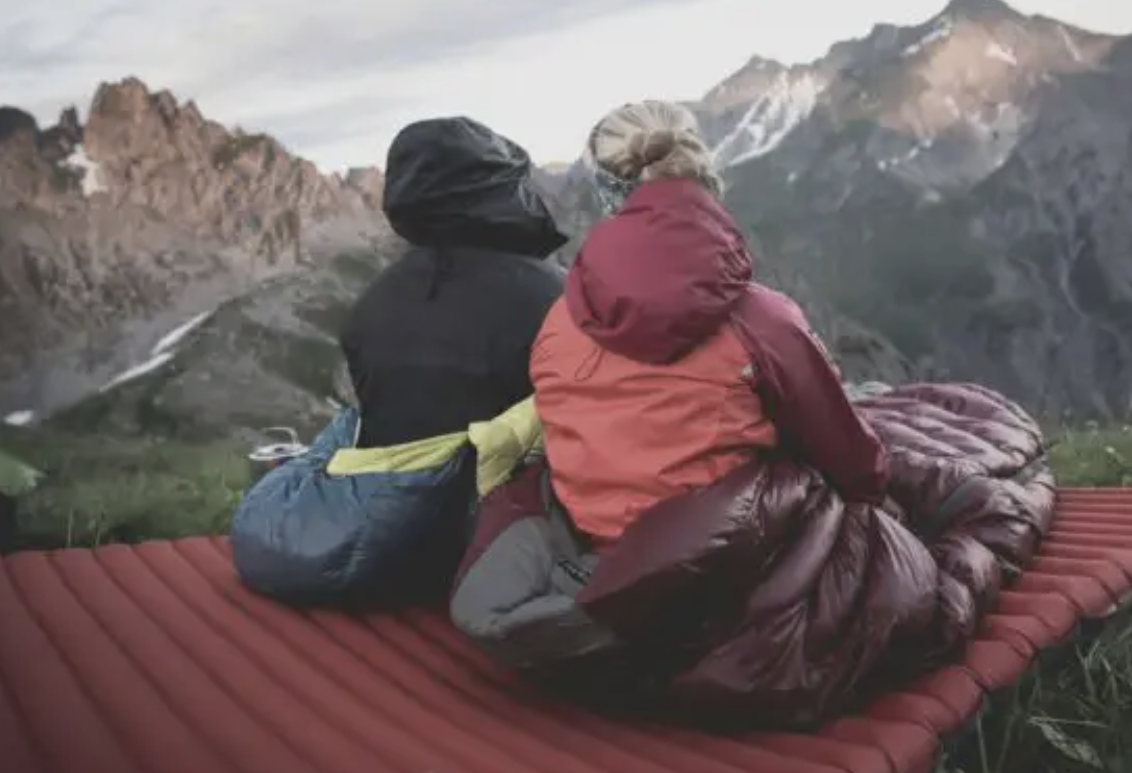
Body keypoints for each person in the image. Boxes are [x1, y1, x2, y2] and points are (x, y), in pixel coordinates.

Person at [530, 101, 889, 546]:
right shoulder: (762, 320)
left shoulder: (561, 320)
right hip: (731, 562)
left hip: (601, 558)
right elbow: (853, 464)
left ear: (606, 191)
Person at [341, 116, 569, 448]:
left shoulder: (370, 306)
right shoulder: (557, 297)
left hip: (399, 496)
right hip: (518, 494)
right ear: (501, 190)